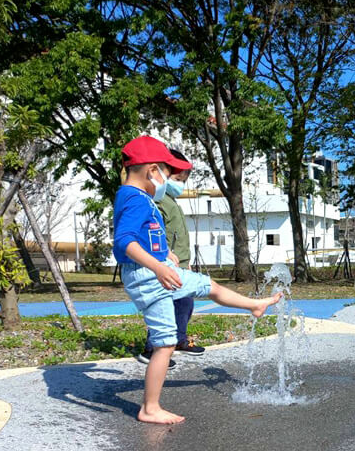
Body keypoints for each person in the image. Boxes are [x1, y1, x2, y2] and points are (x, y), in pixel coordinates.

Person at [113, 135, 280, 424]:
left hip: (158, 269)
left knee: (208, 286)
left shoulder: (138, 197)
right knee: (164, 344)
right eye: (166, 172)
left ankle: (254, 305)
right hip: (150, 277)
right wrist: (158, 267)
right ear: (152, 170)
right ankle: (149, 408)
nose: (168, 179)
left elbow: (144, 235)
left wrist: (164, 256)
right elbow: (123, 242)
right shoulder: (134, 199)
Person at [137, 147, 204, 365]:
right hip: (165, 264)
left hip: (180, 264)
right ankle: (152, 348)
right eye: (176, 178)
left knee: (185, 303)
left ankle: (179, 340)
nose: (180, 184)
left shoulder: (169, 199)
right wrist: (165, 252)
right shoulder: (156, 199)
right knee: (164, 307)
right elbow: (152, 229)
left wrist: (186, 263)